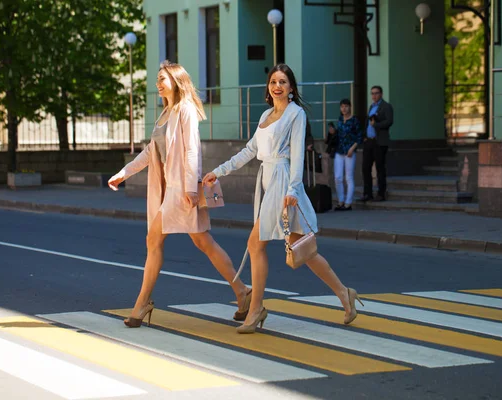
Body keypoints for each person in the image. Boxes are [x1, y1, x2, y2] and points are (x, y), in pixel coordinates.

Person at [203, 64, 363, 334]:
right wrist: (218, 171)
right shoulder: (266, 115)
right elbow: (249, 150)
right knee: (304, 250)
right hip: (268, 182)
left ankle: (256, 310)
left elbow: (298, 154)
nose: (277, 86)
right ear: (269, 87)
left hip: (284, 182)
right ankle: (345, 293)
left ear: (291, 88)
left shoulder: (296, 114)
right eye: (273, 81)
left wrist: (292, 189)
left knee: (256, 245)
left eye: (283, 82)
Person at [108, 61, 251, 328]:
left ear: (176, 80)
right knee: (203, 242)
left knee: (156, 240)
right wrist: (124, 173)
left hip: (179, 190)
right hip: (168, 190)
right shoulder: (165, 114)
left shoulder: (185, 109)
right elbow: (151, 153)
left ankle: (142, 304)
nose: (158, 83)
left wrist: (189, 188)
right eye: (157, 79)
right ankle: (242, 292)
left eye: (162, 78)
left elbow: (192, 151)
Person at [359, 85, 393, 202]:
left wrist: (376, 125)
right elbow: (368, 123)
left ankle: (381, 193)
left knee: (380, 168)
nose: (374, 96)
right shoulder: (371, 107)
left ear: (381, 94)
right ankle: (367, 193)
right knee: (365, 167)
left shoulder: (386, 106)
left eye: (376, 93)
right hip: (369, 141)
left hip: (380, 142)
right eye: (372, 93)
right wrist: (364, 136)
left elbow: (389, 121)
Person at [329, 99, 362, 211]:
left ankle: (348, 203)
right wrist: (333, 132)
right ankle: (340, 201)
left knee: (349, 177)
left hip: (349, 152)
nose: (344, 109)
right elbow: (339, 135)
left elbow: (359, 137)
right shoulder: (340, 119)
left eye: (346, 106)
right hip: (339, 150)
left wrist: (352, 148)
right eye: (342, 106)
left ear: (350, 107)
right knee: (337, 177)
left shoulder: (354, 120)